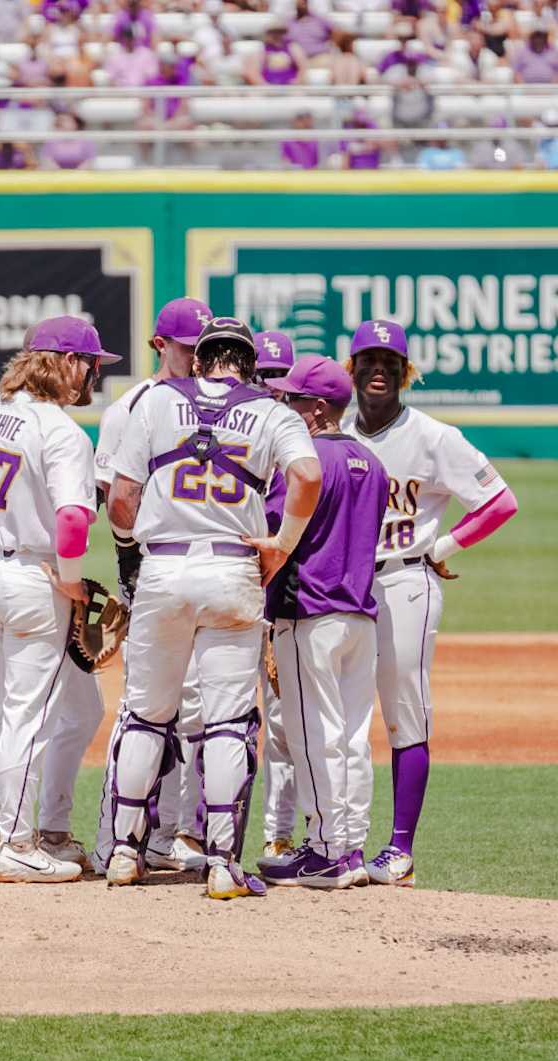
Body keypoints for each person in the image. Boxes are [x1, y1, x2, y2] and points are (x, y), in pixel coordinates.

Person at [104, 317, 322, 900]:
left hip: (164, 567)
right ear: (249, 364)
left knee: (146, 713)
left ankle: (126, 852)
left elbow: (121, 498)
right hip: (234, 568)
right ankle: (223, 863)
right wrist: (283, 542)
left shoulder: (153, 403)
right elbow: (307, 474)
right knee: (227, 722)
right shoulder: (273, 411)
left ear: (199, 361)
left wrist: (133, 551)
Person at [0, 316, 119, 883]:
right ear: (63, 362)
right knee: (27, 714)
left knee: (26, 707)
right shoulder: (59, 431)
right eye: (89, 364)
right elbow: (70, 518)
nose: (94, 376)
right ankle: (14, 841)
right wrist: (69, 579)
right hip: (35, 581)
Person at [346, 320, 517, 887]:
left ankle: (399, 850)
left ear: (405, 372)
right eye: (368, 360)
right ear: (351, 369)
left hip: (405, 585)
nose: (378, 370)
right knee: (337, 719)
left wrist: (440, 546)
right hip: (340, 588)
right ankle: (333, 844)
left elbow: (499, 501)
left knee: (405, 713)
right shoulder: (335, 429)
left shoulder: (434, 436)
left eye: (389, 362)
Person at [85, 297, 217, 877]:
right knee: (145, 711)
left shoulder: (224, 402)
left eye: (211, 350)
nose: (204, 361)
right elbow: (110, 495)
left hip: (207, 576)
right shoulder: (131, 406)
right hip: (152, 573)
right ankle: (117, 835)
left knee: (200, 711)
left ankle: (172, 836)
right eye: (193, 350)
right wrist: (127, 563)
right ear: (161, 346)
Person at [254, 356, 388, 889]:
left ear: (315, 408)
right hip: (361, 616)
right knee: (353, 736)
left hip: (309, 613)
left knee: (315, 736)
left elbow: (273, 527)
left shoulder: (308, 460)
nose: (283, 406)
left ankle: (326, 848)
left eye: (291, 400)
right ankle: (350, 843)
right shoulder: (372, 461)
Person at [252, 330, 299, 866]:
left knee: (285, 728)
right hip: (227, 602)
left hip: (279, 607)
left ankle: (279, 836)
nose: (270, 390)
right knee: (210, 720)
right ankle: (191, 835)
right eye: (262, 378)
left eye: (278, 382)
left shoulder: (295, 448)